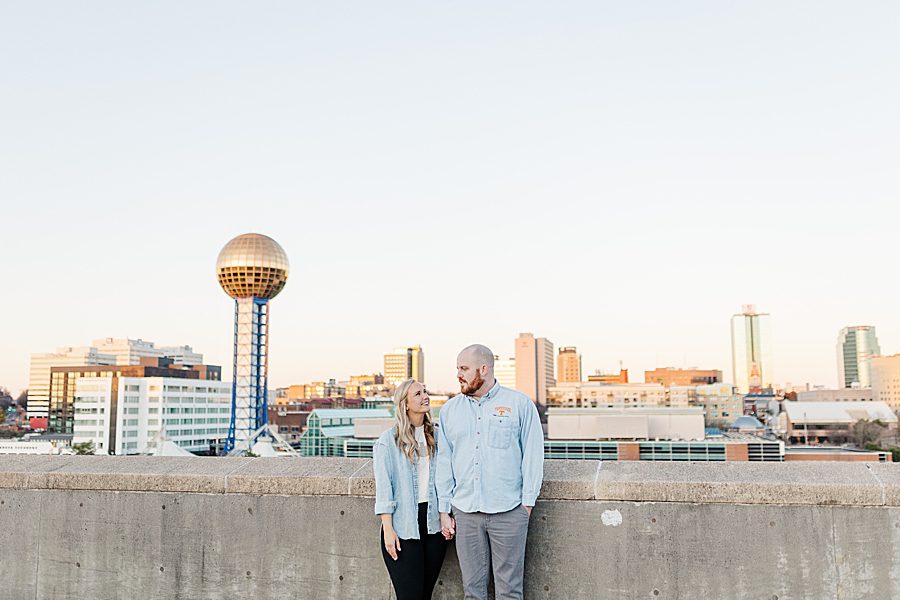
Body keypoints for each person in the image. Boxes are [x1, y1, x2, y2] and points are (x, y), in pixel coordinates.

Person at [435, 344, 544, 600]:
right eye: (457, 368)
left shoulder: (519, 404)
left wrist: (526, 505)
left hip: (509, 511)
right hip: (465, 512)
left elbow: (533, 455)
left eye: (464, 368)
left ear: (483, 369)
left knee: (510, 591)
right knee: (472, 591)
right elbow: (444, 462)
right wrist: (444, 510)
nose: (459, 374)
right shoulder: (450, 410)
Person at [374, 379, 451, 600]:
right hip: (403, 525)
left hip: (434, 524)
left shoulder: (438, 436)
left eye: (425, 391)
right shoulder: (388, 441)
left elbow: (447, 479)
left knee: (424, 595)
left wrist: (445, 514)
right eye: (418, 394)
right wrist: (388, 530)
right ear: (405, 403)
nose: (425, 396)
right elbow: (384, 489)